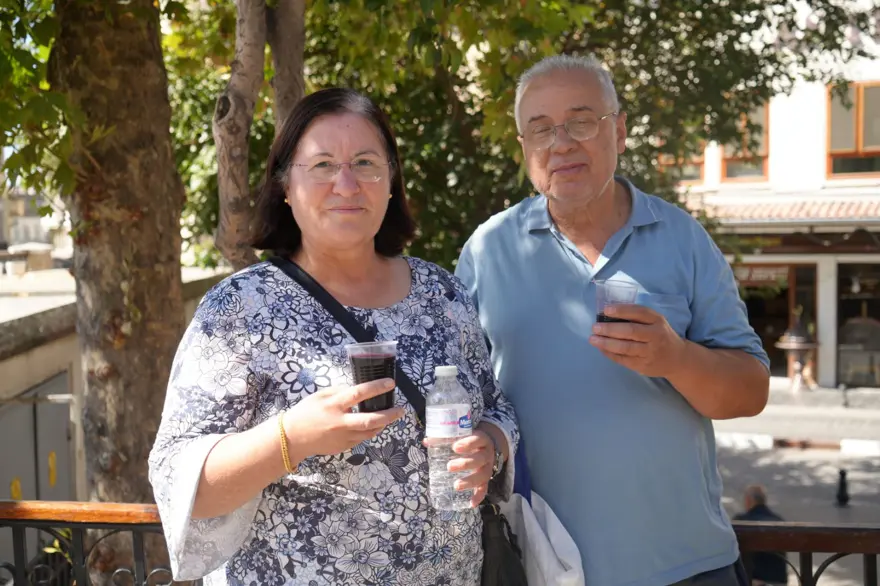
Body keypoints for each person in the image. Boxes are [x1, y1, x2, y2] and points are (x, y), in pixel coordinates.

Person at [148, 87, 519, 586]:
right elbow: (179, 478)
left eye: (365, 163)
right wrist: (292, 437)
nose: (346, 184)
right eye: (323, 165)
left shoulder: (441, 293)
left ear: (391, 181)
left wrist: (489, 446)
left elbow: (496, 407)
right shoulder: (240, 309)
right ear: (285, 185)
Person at [455, 54, 770, 586]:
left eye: (581, 122)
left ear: (619, 132)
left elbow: (751, 392)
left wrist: (676, 358)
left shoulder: (683, 239)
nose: (561, 143)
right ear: (525, 148)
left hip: (689, 566)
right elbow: (460, 397)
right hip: (546, 570)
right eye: (541, 129)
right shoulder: (488, 251)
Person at [733, 485, 788, 586]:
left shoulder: (741, 521)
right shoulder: (779, 521)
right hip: (778, 582)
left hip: (751, 581)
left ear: (748, 500)